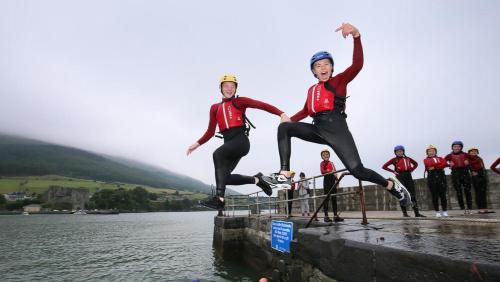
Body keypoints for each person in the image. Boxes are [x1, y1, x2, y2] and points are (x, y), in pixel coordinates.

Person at [264, 22, 412, 209]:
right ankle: (284, 174)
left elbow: (357, 65)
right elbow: (305, 111)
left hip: (337, 128)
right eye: (318, 65)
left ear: (331, 68)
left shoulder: (339, 80)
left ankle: (391, 186)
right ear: (313, 71)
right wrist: (290, 119)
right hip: (318, 128)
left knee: (358, 171)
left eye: (326, 64)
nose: (322, 67)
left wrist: (356, 36)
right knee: (284, 128)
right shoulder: (311, 90)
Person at [187, 74, 290, 210]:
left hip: (240, 141)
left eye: (232, 86)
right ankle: (257, 179)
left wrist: (281, 113)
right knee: (226, 178)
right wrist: (196, 144)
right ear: (221, 88)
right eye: (226, 86)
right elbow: (210, 132)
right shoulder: (214, 108)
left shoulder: (239, 101)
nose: (229, 89)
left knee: (217, 154)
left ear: (236, 88)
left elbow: (261, 105)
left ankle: (219, 199)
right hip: (229, 144)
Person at [382, 145, 425, 217]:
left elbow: (416, 164)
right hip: (399, 177)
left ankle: (417, 213)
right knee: (402, 195)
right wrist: (393, 171)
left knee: (412, 195)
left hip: (408, 176)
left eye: (401, 151)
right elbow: (384, 166)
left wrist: (412, 169)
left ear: (403, 151)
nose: (399, 152)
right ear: (395, 152)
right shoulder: (394, 160)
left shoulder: (408, 158)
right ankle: (405, 213)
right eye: (397, 151)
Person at [445, 141, 473, 214]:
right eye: (455, 146)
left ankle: (469, 208)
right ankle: (462, 208)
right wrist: (449, 164)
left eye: (458, 146)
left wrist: (468, 162)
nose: (456, 148)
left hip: (465, 172)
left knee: (468, 191)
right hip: (455, 173)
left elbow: (474, 160)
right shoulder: (449, 155)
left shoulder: (465, 154)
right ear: (452, 147)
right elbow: (442, 162)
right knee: (458, 191)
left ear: (461, 147)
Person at [423, 145, 449, 217]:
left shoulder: (441, 158)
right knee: (434, 195)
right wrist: (440, 165)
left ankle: (444, 210)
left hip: (441, 177)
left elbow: (445, 164)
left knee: (443, 195)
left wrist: (435, 167)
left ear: (435, 151)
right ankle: (437, 211)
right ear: (427, 153)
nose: (431, 152)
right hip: (432, 178)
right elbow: (429, 164)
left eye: (433, 151)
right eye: (429, 151)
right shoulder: (425, 159)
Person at [320, 149, 344, 222]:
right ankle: (326, 216)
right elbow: (322, 171)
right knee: (326, 199)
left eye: (327, 154)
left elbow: (334, 172)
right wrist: (328, 171)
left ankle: (335, 215)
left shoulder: (332, 163)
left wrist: (337, 180)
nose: (325, 156)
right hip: (326, 181)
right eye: (323, 155)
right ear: (322, 157)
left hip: (332, 180)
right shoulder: (322, 163)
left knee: (334, 198)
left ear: (329, 155)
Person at [468, 147, 490, 213]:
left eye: (475, 151)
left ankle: (485, 208)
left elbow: (483, 167)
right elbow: (469, 167)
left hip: (482, 175)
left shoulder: (479, 158)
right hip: (475, 176)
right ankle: (480, 208)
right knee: (478, 193)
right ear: (469, 153)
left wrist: (484, 174)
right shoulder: (469, 159)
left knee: (484, 192)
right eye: (472, 151)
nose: (474, 152)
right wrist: (472, 172)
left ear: (477, 152)